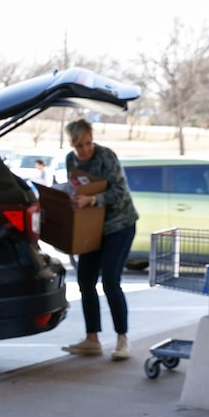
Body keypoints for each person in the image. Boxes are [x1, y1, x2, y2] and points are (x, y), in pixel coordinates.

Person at [60, 118, 139, 360]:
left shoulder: (106, 156)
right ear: (72, 145)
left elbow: (119, 191)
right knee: (85, 281)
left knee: (110, 281)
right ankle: (92, 339)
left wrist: (92, 200)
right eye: (79, 145)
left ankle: (122, 339)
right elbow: (77, 189)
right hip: (92, 228)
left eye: (88, 143)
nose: (85, 149)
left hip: (120, 225)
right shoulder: (70, 160)